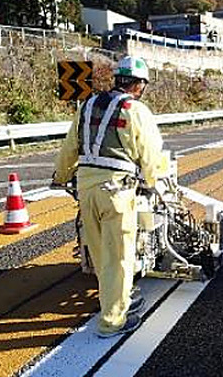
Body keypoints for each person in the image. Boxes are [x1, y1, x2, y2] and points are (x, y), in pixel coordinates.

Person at [52, 56, 168, 338]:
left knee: (101, 255)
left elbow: (70, 148)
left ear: (118, 80)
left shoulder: (88, 104)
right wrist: (155, 182)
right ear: (139, 85)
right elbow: (150, 154)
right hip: (116, 191)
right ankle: (112, 322)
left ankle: (121, 297)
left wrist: (61, 176)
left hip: (86, 189)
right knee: (119, 257)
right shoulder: (134, 109)